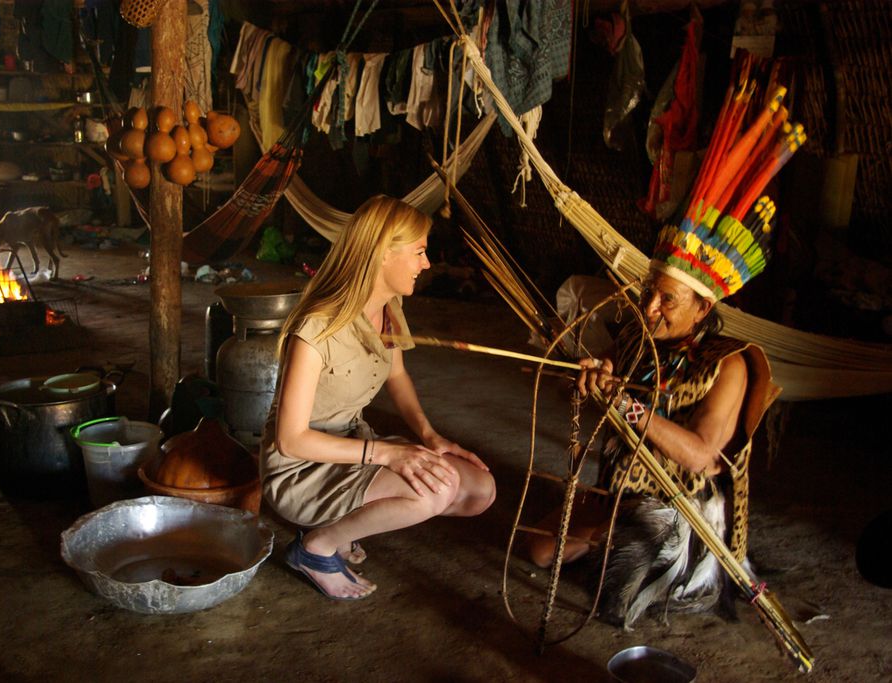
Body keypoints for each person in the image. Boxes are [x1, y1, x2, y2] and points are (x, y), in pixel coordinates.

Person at [527, 243, 779, 628]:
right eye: (648, 293)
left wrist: (626, 405)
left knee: (619, 574)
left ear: (702, 308)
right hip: (622, 489)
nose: (649, 309)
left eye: (668, 300)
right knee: (541, 550)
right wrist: (591, 374)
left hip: (679, 507)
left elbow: (699, 456)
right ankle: (608, 529)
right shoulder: (637, 339)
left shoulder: (728, 365)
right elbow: (598, 374)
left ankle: (619, 539)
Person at [260, 195, 497, 601]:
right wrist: (389, 454)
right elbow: (291, 440)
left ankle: (341, 525)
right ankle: (316, 546)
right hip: (301, 467)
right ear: (383, 253)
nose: (427, 263)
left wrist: (429, 435)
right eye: (420, 252)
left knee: (480, 490)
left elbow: (397, 374)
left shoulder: (388, 307)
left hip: (354, 443)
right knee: (435, 491)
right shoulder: (317, 327)